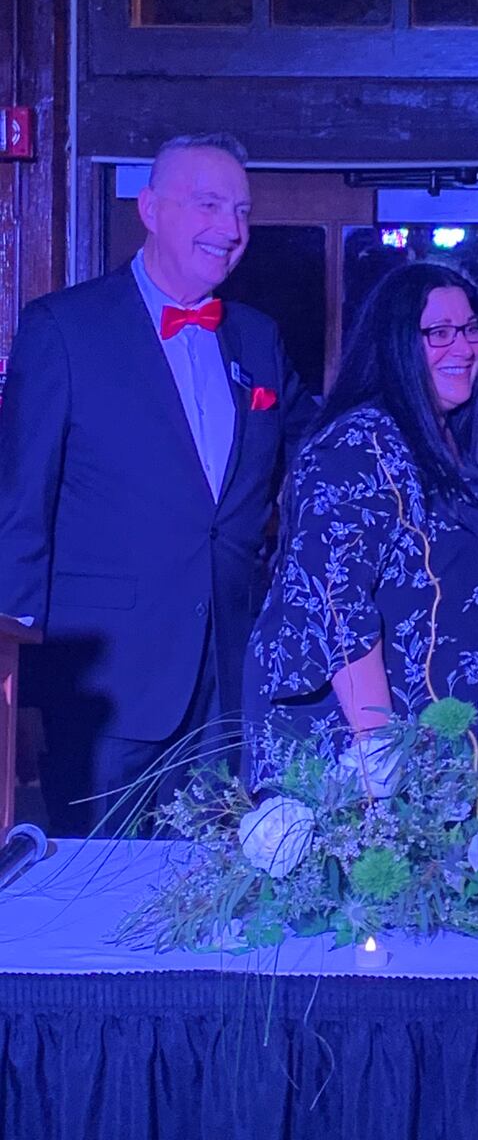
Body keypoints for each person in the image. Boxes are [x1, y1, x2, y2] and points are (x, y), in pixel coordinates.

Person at [0, 133, 316, 831]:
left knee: (210, 895)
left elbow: (320, 444)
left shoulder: (258, 337)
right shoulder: (65, 329)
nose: (232, 230)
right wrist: (11, 691)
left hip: (227, 682)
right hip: (105, 686)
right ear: (150, 208)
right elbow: (18, 513)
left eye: (241, 211)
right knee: (94, 901)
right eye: (210, 205)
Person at [244, 262, 478, 787]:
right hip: (373, 755)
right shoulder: (358, 445)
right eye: (439, 333)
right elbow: (335, 603)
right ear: (395, 344)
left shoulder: (450, 440)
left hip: (453, 741)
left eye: (472, 329)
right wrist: (379, 755)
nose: (464, 348)